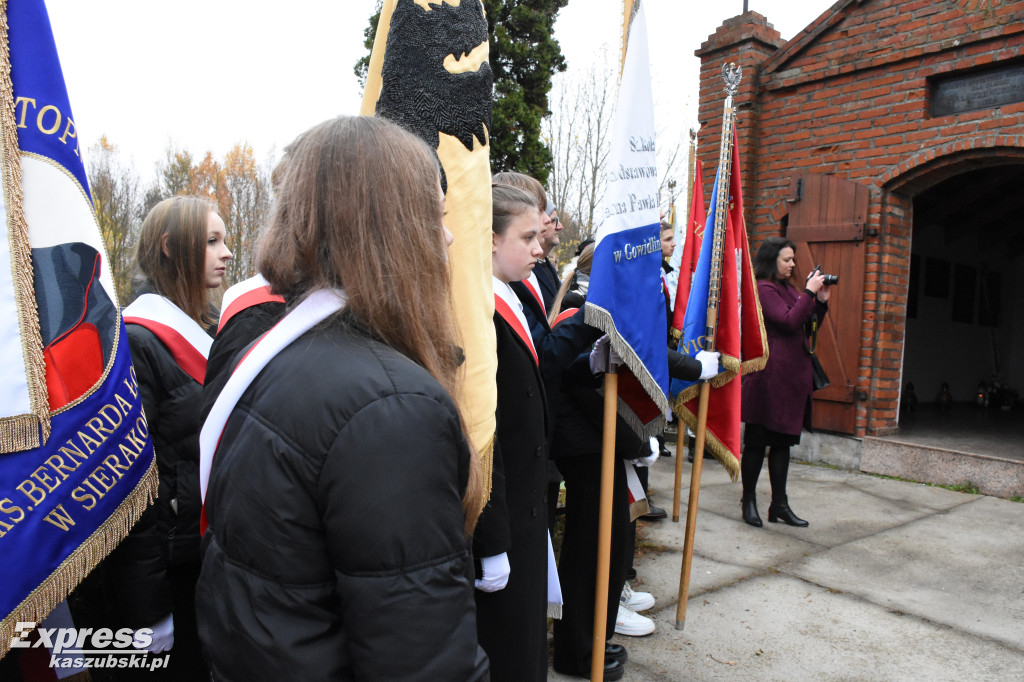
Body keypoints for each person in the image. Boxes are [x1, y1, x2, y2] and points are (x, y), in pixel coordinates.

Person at [196, 116, 488, 681]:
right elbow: (422, 661)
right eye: (436, 216)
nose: (448, 238)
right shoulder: (392, 408)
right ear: (392, 228)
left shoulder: (280, 353)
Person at [98, 195, 230, 680]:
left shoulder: (214, 327)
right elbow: (131, 486)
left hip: (211, 560)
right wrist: (147, 611)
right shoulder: (135, 340)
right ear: (172, 248)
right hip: (170, 574)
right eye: (212, 241)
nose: (227, 253)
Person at [473, 184, 557, 682]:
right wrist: (492, 539)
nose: (539, 248)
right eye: (526, 237)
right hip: (503, 514)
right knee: (507, 653)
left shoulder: (512, 294)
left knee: (526, 646)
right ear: (489, 239)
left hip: (528, 503)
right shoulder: (478, 309)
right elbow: (485, 434)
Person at [740, 236, 830, 528]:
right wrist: (808, 292)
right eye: (786, 259)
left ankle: (779, 504)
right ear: (771, 260)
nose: (792, 264)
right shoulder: (763, 288)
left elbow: (806, 323)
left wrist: (821, 302)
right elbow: (789, 321)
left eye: (793, 259)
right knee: (756, 443)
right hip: (768, 378)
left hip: (791, 377)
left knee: (783, 444)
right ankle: (749, 500)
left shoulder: (789, 289)